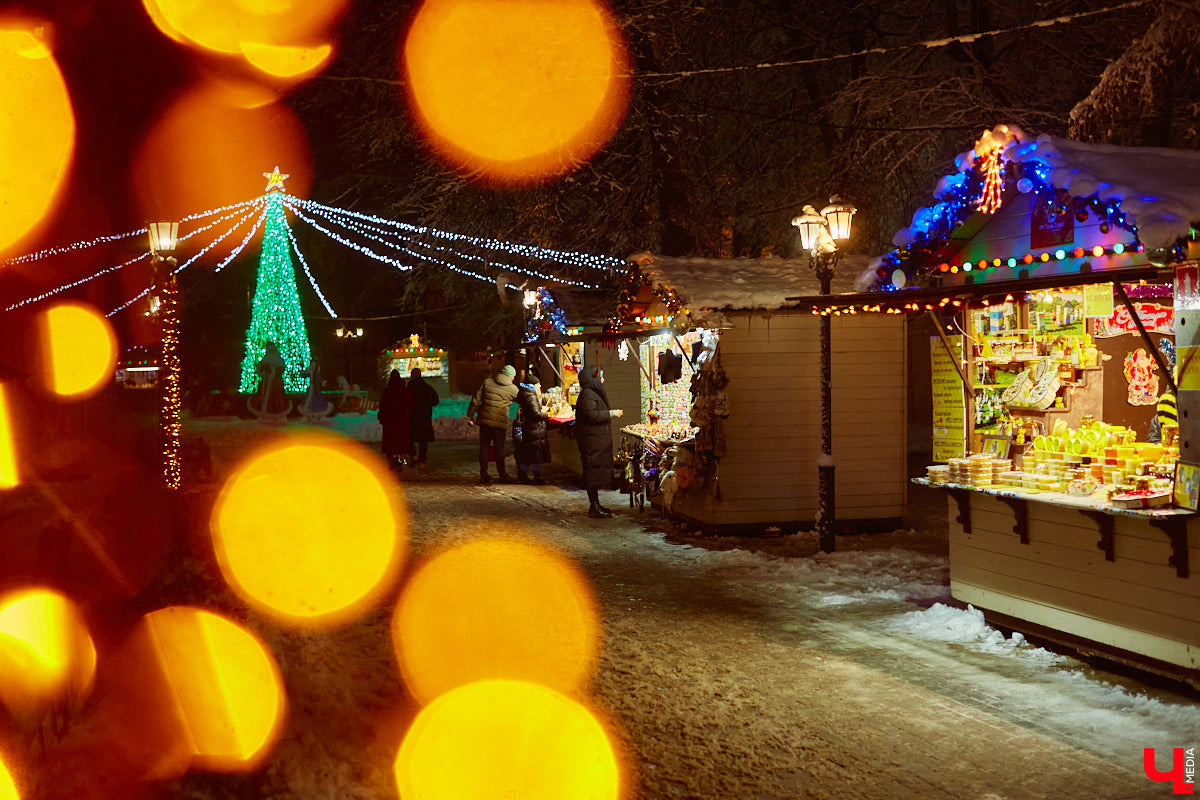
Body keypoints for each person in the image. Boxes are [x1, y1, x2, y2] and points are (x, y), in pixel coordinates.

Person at [574, 365, 623, 517]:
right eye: (601, 376)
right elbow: (592, 415)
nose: (603, 379)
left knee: (594, 472)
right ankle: (594, 507)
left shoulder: (591, 393)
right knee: (592, 473)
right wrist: (611, 413)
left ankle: (595, 506)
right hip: (592, 441)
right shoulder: (588, 395)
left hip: (595, 440)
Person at [468, 364, 519, 483]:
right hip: (499, 423)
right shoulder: (513, 389)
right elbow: (523, 400)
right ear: (510, 376)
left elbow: (476, 399)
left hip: (485, 421)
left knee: (484, 448)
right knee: (499, 449)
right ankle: (502, 474)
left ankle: (483, 474)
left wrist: (470, 415)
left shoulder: (487, 382)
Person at [513, 372, 550, 484]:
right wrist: (547, 414)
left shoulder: (526, 394)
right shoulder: (530, 395)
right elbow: (535, 414)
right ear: (533, 385)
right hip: (533, 429)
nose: (540, 386)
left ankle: (524, 475)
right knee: (534, 456)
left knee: (530, 455)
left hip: (531, 429)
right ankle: (535, 477)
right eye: (538, 384)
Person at [378, 369, 412, 471]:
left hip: (390, 422)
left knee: (391, 444)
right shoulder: (405, 391)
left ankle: (392, 462)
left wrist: (382, 418)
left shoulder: (387, 391)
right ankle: (400, 461)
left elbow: (383, 406)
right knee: (401, 443)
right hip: (403, 421)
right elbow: (411, 405)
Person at [407, 367, 440, 466]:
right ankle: (422, 459)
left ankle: (413, 455)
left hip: (412, 418)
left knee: (410, 438)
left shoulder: (408, 389)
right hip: (425, 417)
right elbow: (435, 401)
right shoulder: (427, 388)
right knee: (423, 440)